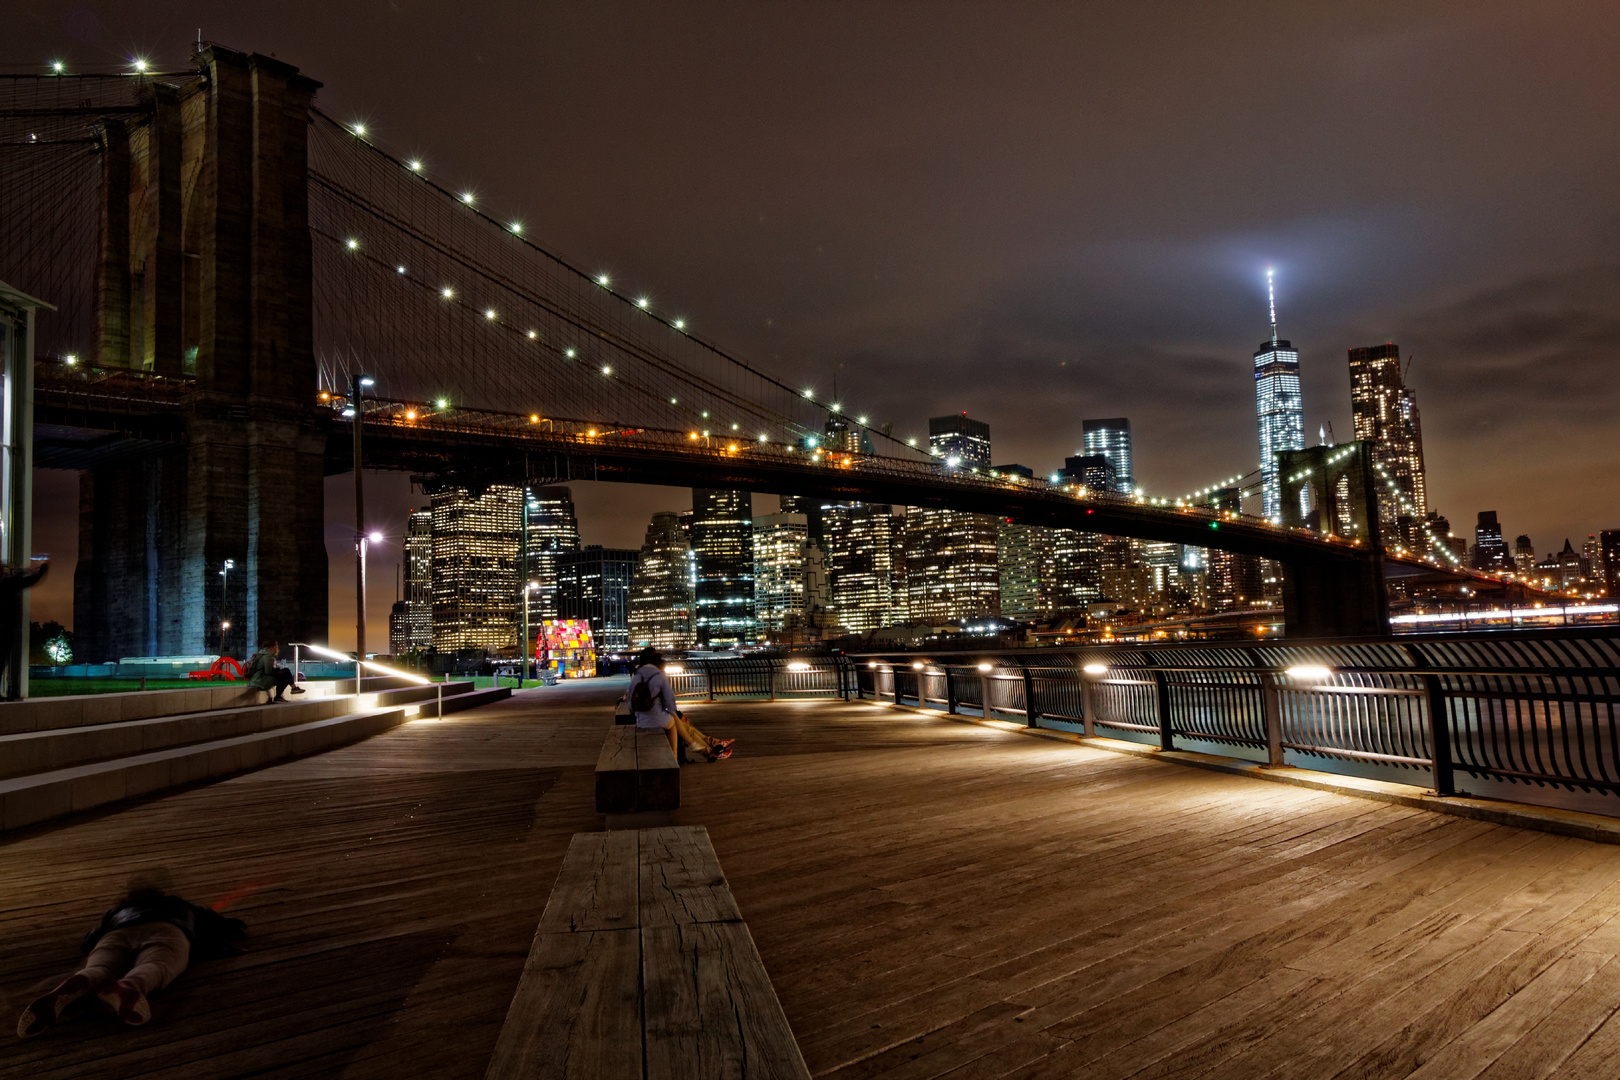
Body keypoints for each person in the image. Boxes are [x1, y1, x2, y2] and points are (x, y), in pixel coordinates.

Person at [17, 885, 247, 1035]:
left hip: (117, 932)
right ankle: (130, 985)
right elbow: (216, 923)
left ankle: (82, 980)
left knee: (99, 966)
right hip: (167, 930)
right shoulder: (182, 906)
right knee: (156, 965)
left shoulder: (117, 910)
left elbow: (89, 940)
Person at [628, 646, 734, 762]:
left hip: (640, 717)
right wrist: (678, 714)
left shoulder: (637, 674)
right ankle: (692, 753)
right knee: (677, 722)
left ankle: (710, 747)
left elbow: (632, 700)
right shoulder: (658, 676)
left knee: (682, 723)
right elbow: (668, 702)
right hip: (654, 718)